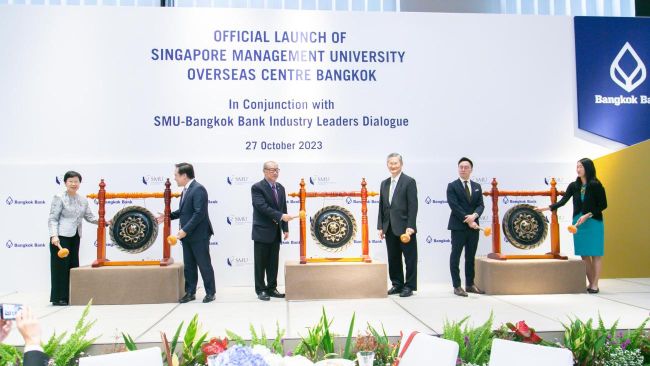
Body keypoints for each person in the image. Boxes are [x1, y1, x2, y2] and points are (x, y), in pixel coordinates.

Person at [536, 158, 607, 293]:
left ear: (588, 168)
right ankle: (591, 283)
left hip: (593, 221)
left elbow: (603, 205)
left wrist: (588, 214)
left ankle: (595, 284)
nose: (578, 169)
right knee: (584, 254)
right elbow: (563, 201)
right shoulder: (574, 185)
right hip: (578, 223)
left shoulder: (596, 184)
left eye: (580, 166)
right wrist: (547, 208)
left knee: (596, 254)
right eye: (577, 167)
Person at [157, 163, 216, 303]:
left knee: (204, 264)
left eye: (176, 175)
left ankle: (210, 293)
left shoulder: (198, 189)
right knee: (189, 265)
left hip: (199, 234)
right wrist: (167, 216)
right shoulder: (186, 190)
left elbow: (198, 214)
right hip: (187, 235)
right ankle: (190, 292)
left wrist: (184, 230)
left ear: (184, 175)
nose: (175, 178)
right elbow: (185, 211)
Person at [48, 171, 104, 306]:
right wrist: (54, 235)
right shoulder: (59, 197)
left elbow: (90, 217)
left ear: (80, 183)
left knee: (73, 266)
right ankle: (59, 297)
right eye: (70, 181)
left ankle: (71, 295)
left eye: (76, 181)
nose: (73, 184)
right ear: (65, 182)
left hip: (75, 236)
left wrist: (104, 222)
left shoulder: (83, 200)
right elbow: (52, 218)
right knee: (60, 268)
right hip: (61, 237)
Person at [378, 153, 418, 297]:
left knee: (410, 258)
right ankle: (397, 284)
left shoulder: (409, 181)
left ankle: (410, 286)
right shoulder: (384, 183)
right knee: (393, 258)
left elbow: (413, 206)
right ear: (387, 165)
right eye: (390, 163)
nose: (393, 166)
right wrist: (380, 226)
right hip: (389, 227)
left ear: (401, 164)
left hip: (405, 229)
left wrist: (411, 226)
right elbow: (382, 206)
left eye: (395, 163)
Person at [251, 161, 292, 301]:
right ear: (264, 171)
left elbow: (283, 208)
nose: (275, 172)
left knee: (273, 262)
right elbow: (261, 207)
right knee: (260, 263)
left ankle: (272, 288)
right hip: (262, 231)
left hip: (275, 232)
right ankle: (261, 290)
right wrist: (280, 216)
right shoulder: (257, 187)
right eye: (272, 170)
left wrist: (285, 228)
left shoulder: (280, 188)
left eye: (277, 170)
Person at [446, 157, 485, 297]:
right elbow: (454, 206)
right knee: (455, 256)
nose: (463, 169)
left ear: (471, 169)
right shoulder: (452, 186)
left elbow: (481, 205)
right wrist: (467, 219)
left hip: (474, 227)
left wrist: (474, 216)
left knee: (470, 256)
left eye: (466, 167)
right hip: (458, 227)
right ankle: (457, 286)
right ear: (458, 169)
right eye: (461, 167)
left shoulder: (477, 186)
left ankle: (470, 284)